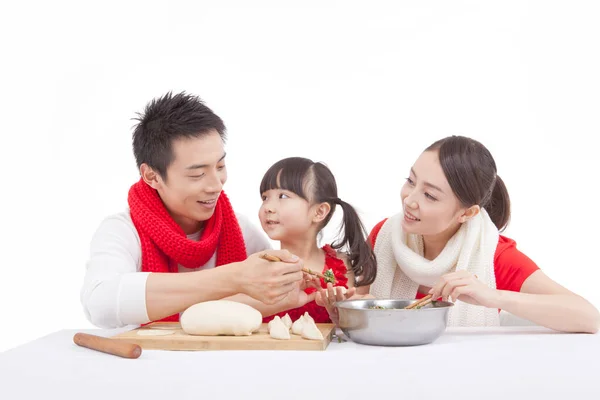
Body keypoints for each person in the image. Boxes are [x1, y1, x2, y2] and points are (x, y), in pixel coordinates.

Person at [318, 135, 600, 333]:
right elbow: (367, 303)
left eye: (429, 195)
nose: (409, 200)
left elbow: (589, 318)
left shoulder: (494, 256)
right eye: (410, 181)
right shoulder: (387, 235)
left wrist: (492, 296)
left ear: (467, 213)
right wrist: (344, 310)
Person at [80, 92, 309, 329]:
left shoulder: (240, 230)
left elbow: (270, 290)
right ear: (152, 176)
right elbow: (100, 303)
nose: (216, 185)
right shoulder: (122, 231)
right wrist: (235, 278)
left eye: (220, 166)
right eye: (197, 174)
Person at [258, 157, 377, 323]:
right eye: (265, 197)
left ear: (320, 211)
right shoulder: (259, 267)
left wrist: (357, 307)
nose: (267, 207)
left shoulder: (339, 267)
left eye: (283, 196)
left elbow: (348, 327)